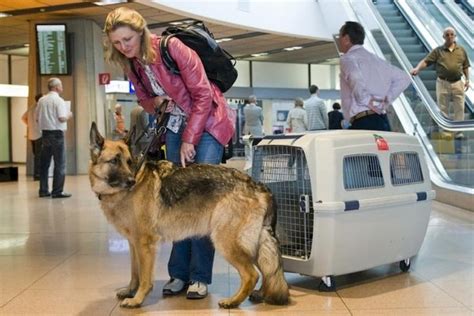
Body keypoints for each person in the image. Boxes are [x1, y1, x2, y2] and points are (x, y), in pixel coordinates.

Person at [104, 7, 234, 299]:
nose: (124, 46)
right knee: (174, 200)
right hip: (175, 124)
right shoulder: (132, 63)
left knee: (201, 199)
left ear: (140, 31)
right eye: (117, 43)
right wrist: (157, 101)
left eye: (127, 39)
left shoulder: (172, 48)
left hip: (210, 122)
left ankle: (200, 277)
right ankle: (178, 274)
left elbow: (202, 94)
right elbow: (144, 99)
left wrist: (190, 138)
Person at [338, 21, 411, 131]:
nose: (339, 40)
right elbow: (404, 78)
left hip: (362, 121)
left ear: (347, 39)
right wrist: (387, 99)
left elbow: (355, 77)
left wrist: (366, 100)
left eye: (340, 37)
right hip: (382, 119)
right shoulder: (377, 60)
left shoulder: (347, 59)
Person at [410, 26, 470, 139]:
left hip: (458, 82)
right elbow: (426, 61)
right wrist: (417, 69)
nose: (449, 36)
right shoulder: (438, 51)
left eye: (451, 34)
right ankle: (446, 131)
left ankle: (458, 132)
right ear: (443, 37)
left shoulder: (461, 50)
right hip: (443, 83)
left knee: (460, 107)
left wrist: (467, 79)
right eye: (447, 34)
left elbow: (466, 66)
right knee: (443, 107)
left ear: (455, 36)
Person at [36, 78, 73, 198]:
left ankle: (43, 190)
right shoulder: (59, 100)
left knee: (44, 164)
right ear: (57, 87)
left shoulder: (41, 100)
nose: (62, 87)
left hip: (45, 135)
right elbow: (62, 117)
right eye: (61, 85)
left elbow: (37, 118)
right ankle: (57, 191)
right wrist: (69, 115)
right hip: (57, 135)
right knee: (60, 164)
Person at [21, 93, 43, 180]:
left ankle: (37, 174)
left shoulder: (31, 107)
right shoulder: (40, 108)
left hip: (31, 135)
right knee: (39, 156)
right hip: (39, 135)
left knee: (36, 155)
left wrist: (29, 125)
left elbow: (23, 117)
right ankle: (37, 175)